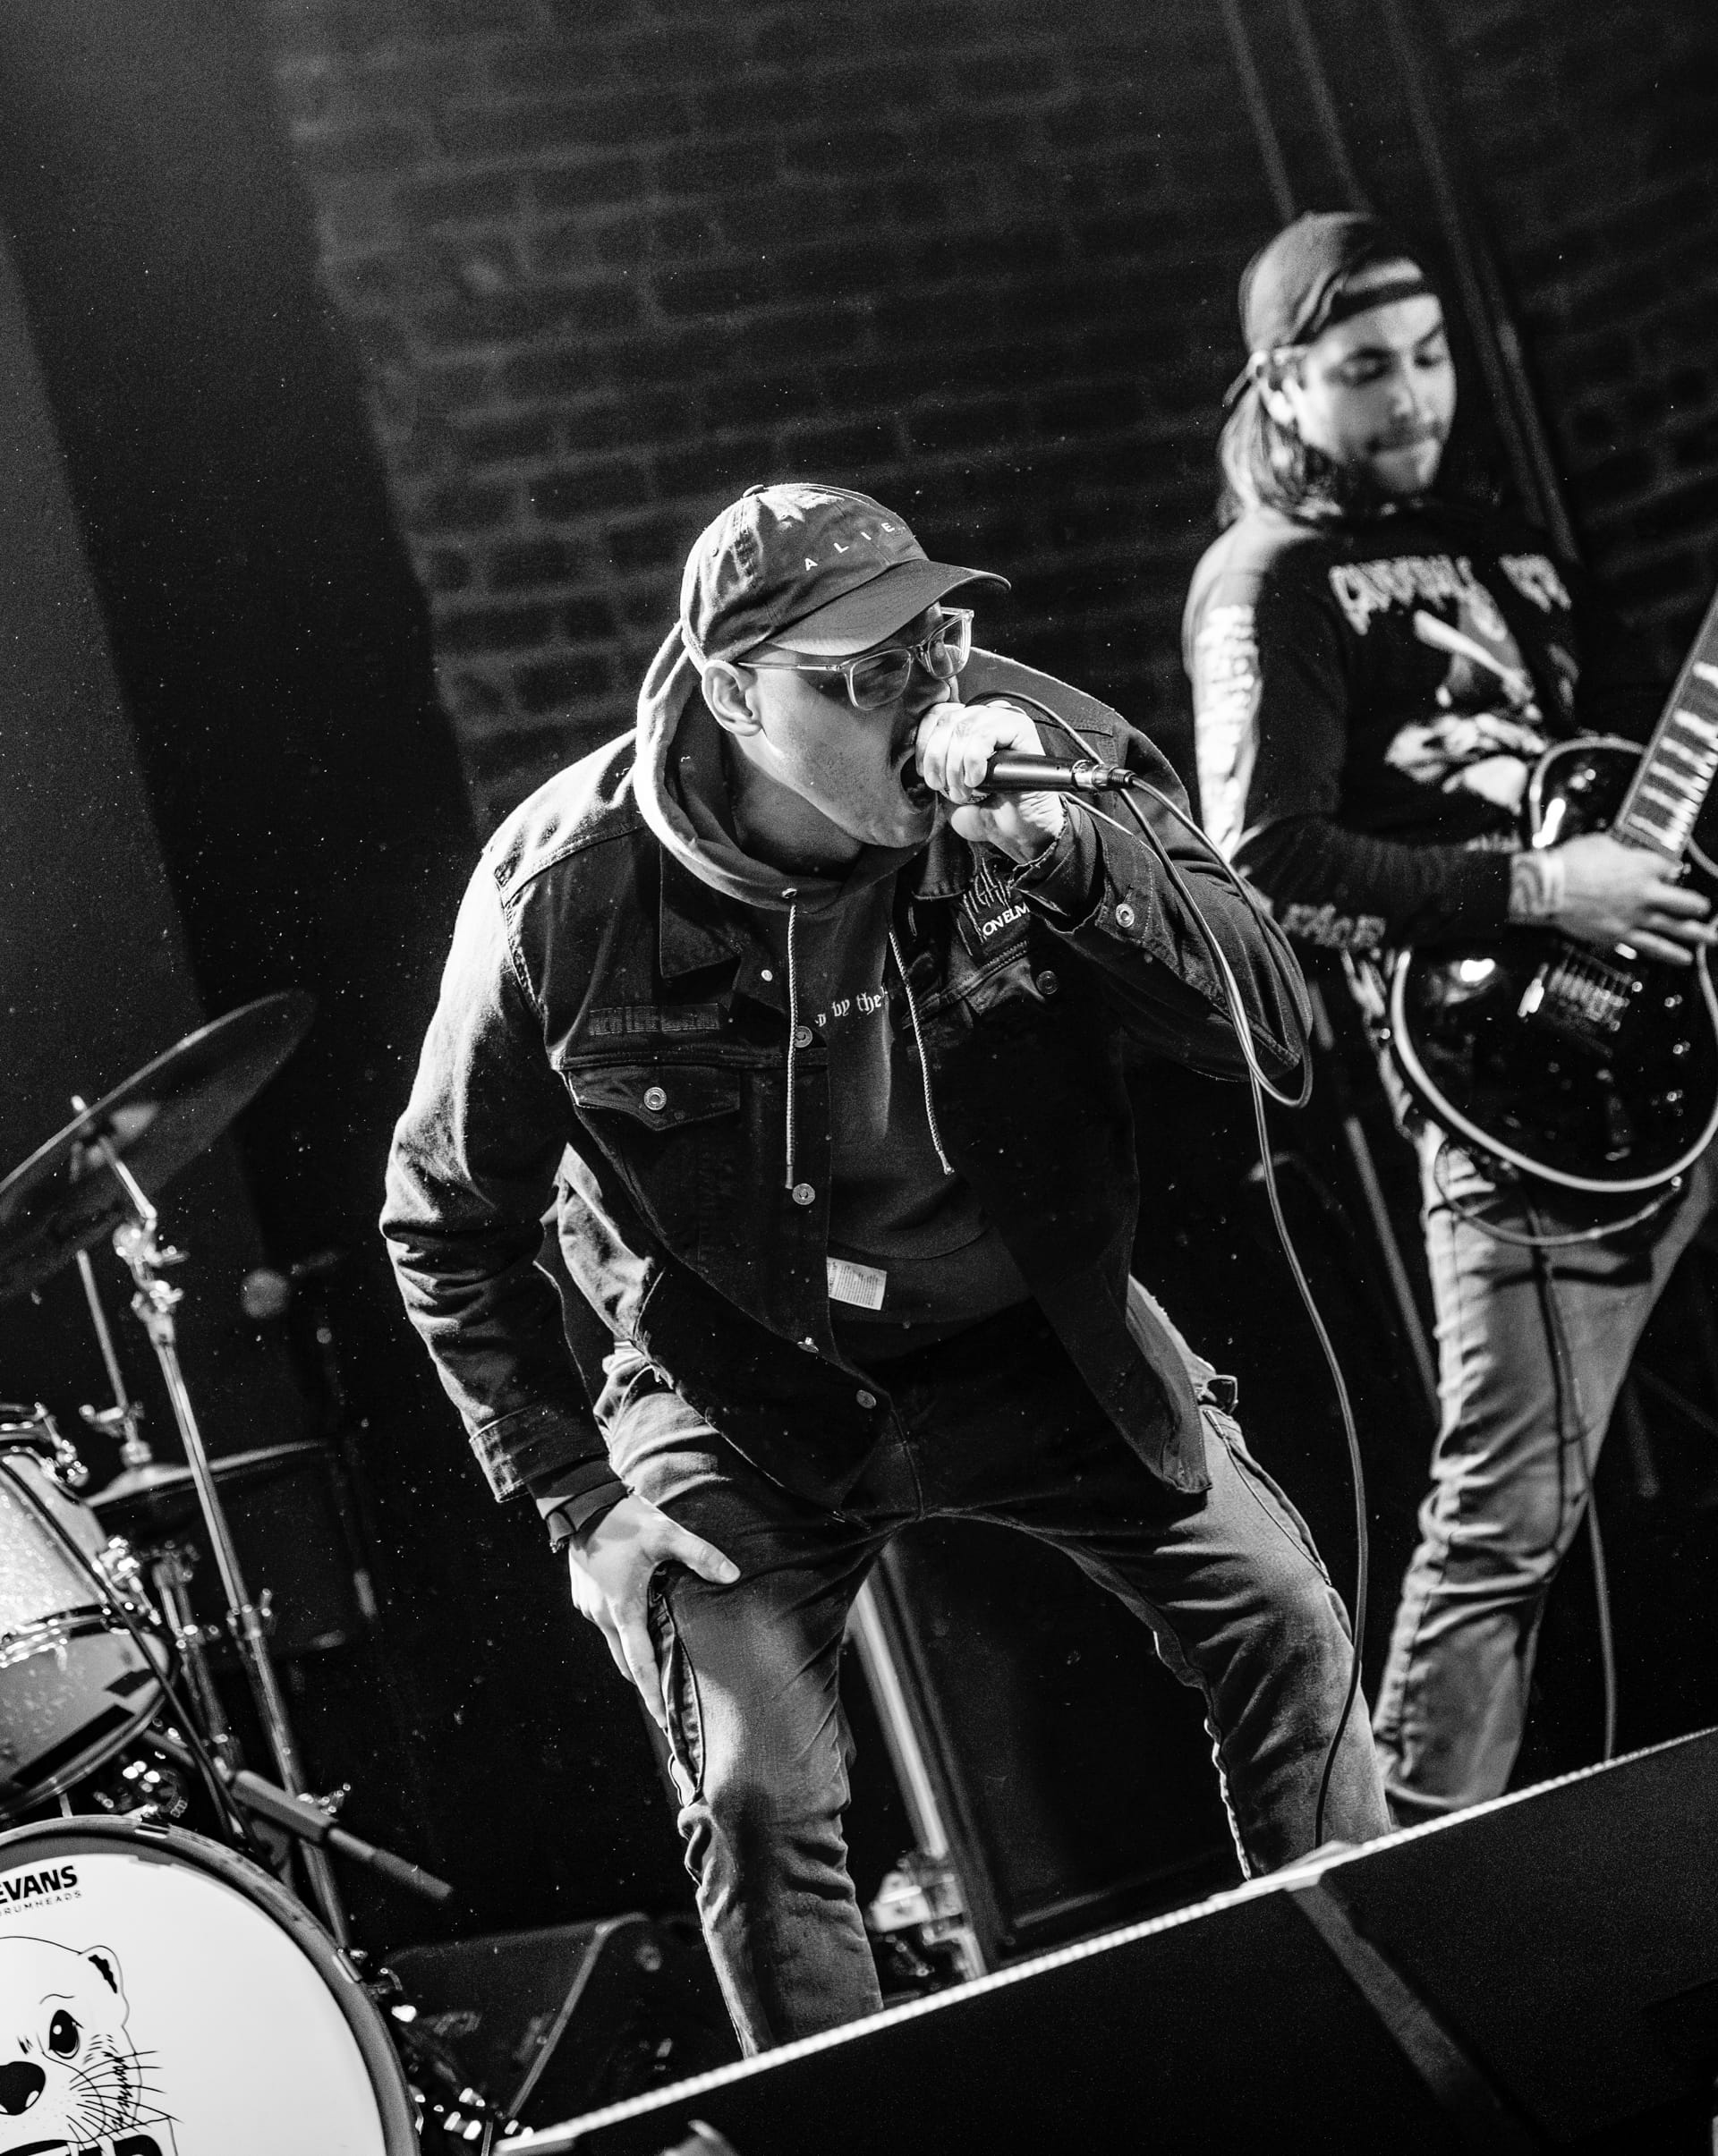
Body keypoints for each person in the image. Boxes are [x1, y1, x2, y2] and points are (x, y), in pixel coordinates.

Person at [384, 480, 1388, 2050]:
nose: (922, 698)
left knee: (1285, 1622)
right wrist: (578, 1501)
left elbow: (1270, 1025)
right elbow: (444, 1220)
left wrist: (1073, 859)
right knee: (754, 1792)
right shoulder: (563, 893)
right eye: (860, 677)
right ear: (735, 697)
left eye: (935, 645)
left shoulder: (1046, 759)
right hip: (740, 1380)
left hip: (1033, 1332)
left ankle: (1377, 2052)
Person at [1186, 211, 1715, 1826]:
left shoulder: (1516, 549)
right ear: (1283, 387)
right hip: (1509, 1091)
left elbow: (1634, 787)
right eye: (1367, 368)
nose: (1414, 394)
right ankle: (1412, 1896)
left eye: (1429, 357)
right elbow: (1265, 861)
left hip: (1675, 1041)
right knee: (1508, 1524)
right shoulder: (1271, 578)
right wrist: (1547, 890)